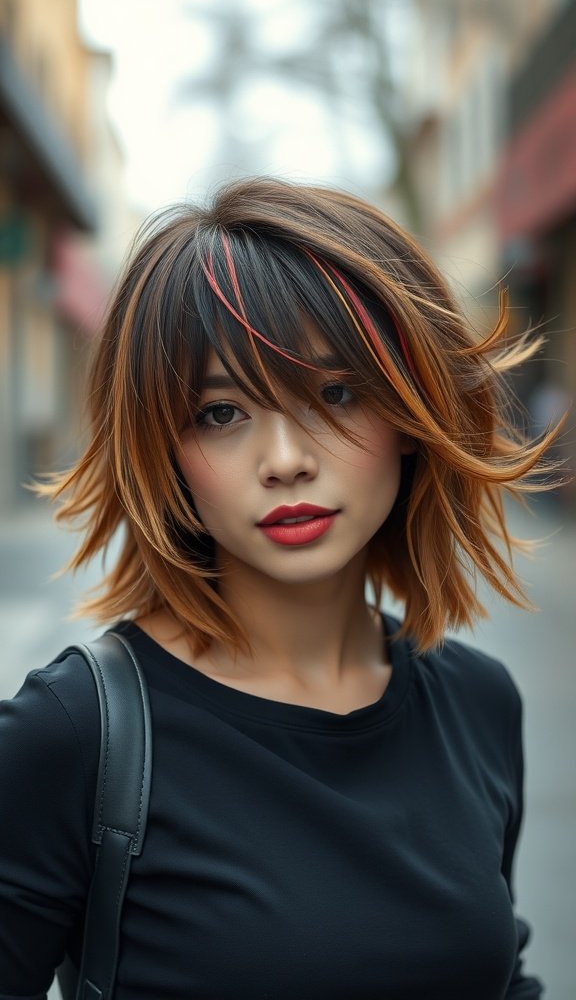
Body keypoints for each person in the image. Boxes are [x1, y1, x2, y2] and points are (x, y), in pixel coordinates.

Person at [0, 177, 562, 999]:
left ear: (410, 416)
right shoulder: (73, 736)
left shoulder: (478, 704)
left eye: (336, 393)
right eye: (221, 412)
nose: (287, 458)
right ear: (165, 450)